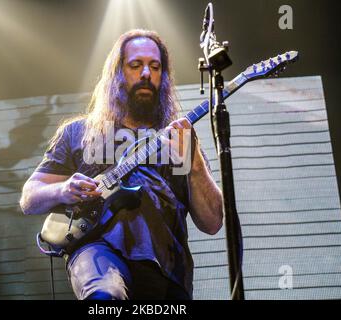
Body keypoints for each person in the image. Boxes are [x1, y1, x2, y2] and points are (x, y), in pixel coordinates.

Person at [19, 29, 223, 300]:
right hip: (97, 252)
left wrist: (194, 160)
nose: (147, 74)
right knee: (105, 297)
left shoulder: (180, 139)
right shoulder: (78, 132)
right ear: (117, 73)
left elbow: (212, 223)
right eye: (135, 65)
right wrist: (64, 190)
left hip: (167, 270)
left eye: (155, 66)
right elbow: (29, 198)